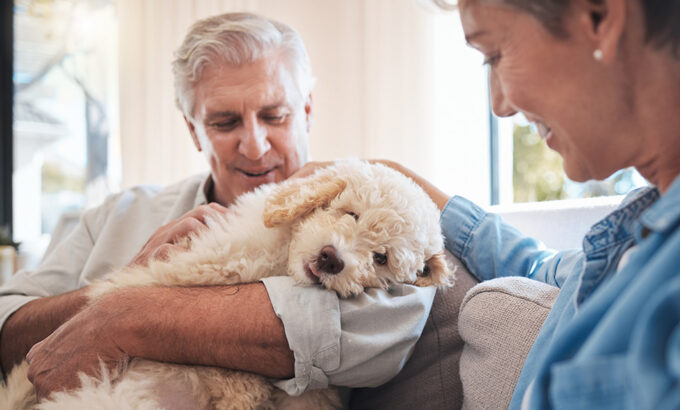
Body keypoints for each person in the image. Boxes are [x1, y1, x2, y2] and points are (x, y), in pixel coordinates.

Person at [329, 0, 680, 408]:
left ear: (600, 17)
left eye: (494, 54)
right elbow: (542, 267)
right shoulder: (649, 226)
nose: (498, 105)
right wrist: (403, 184)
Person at [0, 12, 436, 403]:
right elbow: (6, 329)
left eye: (275, 115)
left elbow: (366, 335)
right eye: (224, 122)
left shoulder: (379, 229)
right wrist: (126, 278)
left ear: (306, 111)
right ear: (194, 131)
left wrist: (127, 310)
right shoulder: (116, 216)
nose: (254, 144)